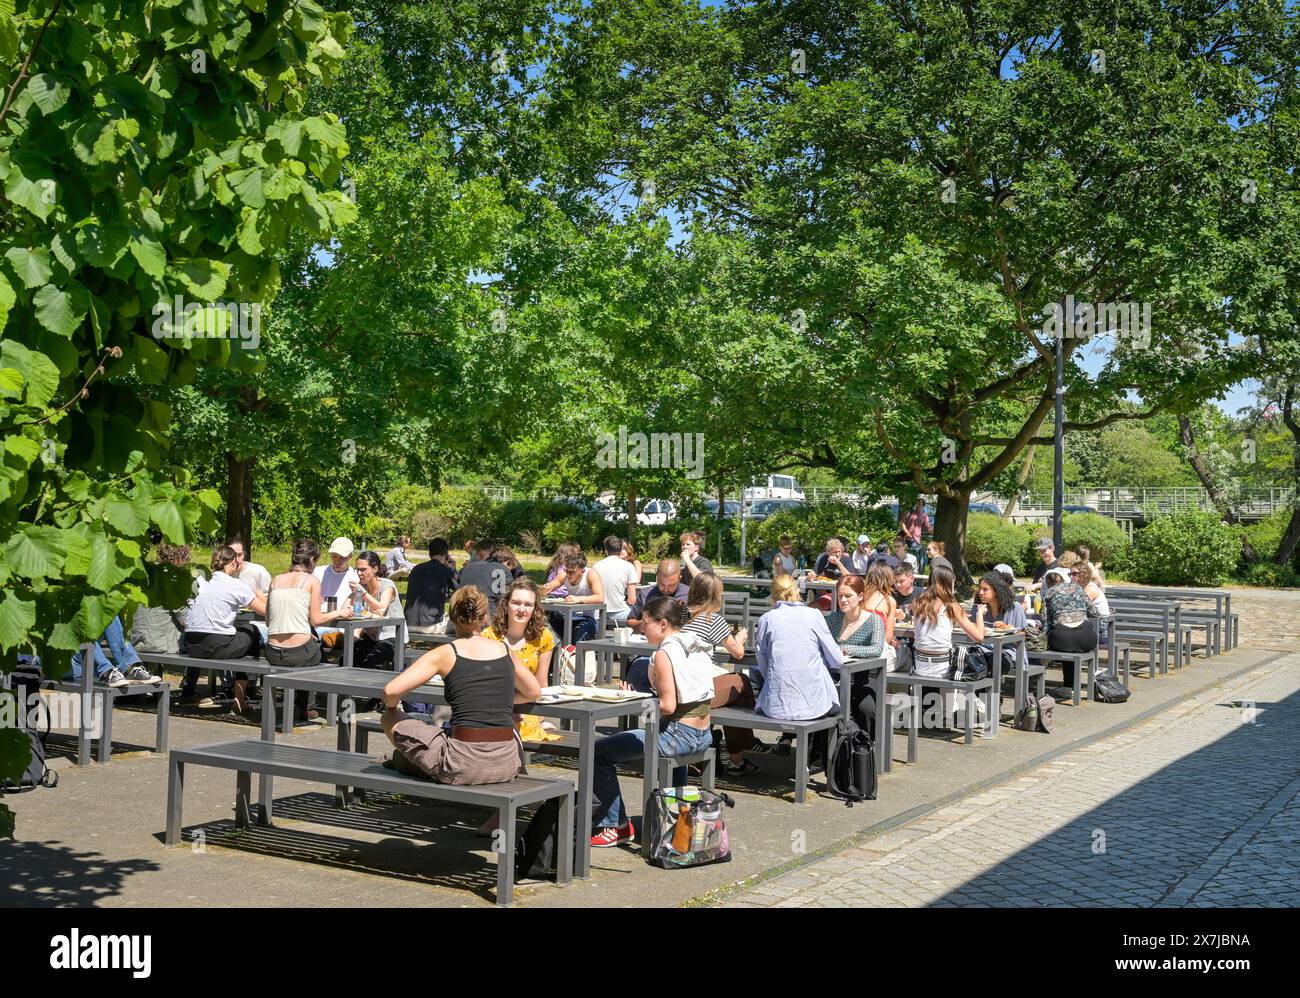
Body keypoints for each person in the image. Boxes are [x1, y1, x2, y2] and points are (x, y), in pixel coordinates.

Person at [380, 586, 540, 786]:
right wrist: (498, 701)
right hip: (507, 761)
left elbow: (391, 691)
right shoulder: (505, 650)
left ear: (452, 618)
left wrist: (393, 707)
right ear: (485, 619)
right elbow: (534, 692)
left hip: (463, 764)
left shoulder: (446, 653)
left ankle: (410, 760)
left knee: (389, 717)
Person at [590, 596, 715, 848]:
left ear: (663, 624)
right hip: (704, 733)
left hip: (679, 735)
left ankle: (616, 825)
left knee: (598, 752)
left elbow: (668, 706)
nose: (641, 627)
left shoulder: (664, 653)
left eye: (646, 623)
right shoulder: (696, 643)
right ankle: (678, 820)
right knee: (664, 743)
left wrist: (635, 699)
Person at [751, 575, 843, 767]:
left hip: (776, 706)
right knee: (826, 687)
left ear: (773, 594)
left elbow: (763, 663)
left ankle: (792, 744)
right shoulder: (814, 615)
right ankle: (818, 761)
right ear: (796, 590)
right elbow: (837, 660)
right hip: (814, 704)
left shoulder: (767, 618)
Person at [266, 539, 355, 721]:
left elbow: (268, 619)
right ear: (313, 559)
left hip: (272, 652)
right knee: (317, 651)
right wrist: (341, 612)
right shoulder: (312, 580)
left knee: (311, 643)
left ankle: (300, 706)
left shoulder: (275, 580)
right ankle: (305, 706)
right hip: (300, 654)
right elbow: (316, 620)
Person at [184, 546, 267, 711]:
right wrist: (258, 594)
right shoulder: (236, 584)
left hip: (191, 644)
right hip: (217, 645)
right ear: (234, 562)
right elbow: (266, 612)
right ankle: (241, 698)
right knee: (252, 631)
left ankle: (187, 692)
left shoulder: (201, 581)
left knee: (227, 631)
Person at [482, 578, 557, 743]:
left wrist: (540, 719)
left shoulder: (544, 637)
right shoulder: (488, 636)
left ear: (535, 609)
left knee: (528, 727)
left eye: (528, 605)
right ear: (506, 605)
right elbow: (485, 686)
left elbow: (541, 682)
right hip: (493, 710)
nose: (522, 609)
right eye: (516, 603)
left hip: (528, 708)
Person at [908, 565, 985, 679]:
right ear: (948, 584)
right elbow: (979, 637)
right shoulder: (951, 605)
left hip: (920, 665)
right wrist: (980, 614)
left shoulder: (917, 603)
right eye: (953, 583)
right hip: (942, 668)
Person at [131, 543, 195, 658]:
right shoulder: (172, 577)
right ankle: (190, 676)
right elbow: (186, 620)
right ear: (179, 559)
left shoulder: (143, 572)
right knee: (200, 640)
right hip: (163, 645)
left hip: (137, 642)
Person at [1042, 566, 1099, 689]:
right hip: (1087, 639)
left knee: (1065, 639)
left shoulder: (1049, 593)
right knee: (1071, 639)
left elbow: (1045, 619)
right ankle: (1070, 686)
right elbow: (1094, 612)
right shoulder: (1078, 589)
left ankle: (1067, 686)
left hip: (1063, 641)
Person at [70, 615, 159, 688]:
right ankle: (106, 672)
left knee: (108, 613)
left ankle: (128, 669)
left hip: (82, 659)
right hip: (67, 665)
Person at [350, 550, 404, 669]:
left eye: (363, 570)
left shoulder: (387, 585)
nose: (359, 573)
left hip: (392, 637)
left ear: (375, 569)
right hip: (371, 637)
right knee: (346, 658)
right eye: (357, 569)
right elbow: (346, 607)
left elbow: (381, 608)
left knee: (370, 661)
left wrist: (362, 593)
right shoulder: (363, 586)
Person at [968, 571, 1027, 675]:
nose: (981, 592)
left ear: (996, 591)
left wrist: (1009, 629)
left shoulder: (1015, 608)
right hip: (984, 649)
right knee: (969, 659)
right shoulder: (979, 607)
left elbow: (1022, 638)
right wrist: (978, 617)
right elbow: (972, 630)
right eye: (980, 589)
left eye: (985, 589)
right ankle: (979, 691)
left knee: (993, 663)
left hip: (1009, 653)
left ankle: (990, 691)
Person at [404, 538, 459, 632]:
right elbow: (461, 591)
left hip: (407, 623)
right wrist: (453, 570)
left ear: (430, 554)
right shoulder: (447, 571)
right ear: (446, 555)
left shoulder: (416, 569)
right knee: (461, 623)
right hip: (431, 624)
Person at [548, 551, 605, 643]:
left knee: (577, 637)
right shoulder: (564, 576)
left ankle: (573, 656)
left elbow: (600, 598)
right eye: (567, 571)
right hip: (570, 617)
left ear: (582, 570)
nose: (569, 574)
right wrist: (546, 588)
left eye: (572, 572)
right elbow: (551, 585)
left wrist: (577, 599)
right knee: (549, 630)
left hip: (591, 619)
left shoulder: (591, 574)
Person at [627, 559, 689, 633]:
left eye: (671, 585)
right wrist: (642, 624)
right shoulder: (646, 594)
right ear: (657, 577)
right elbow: (629, 621)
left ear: (679, 578)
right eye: (662, 584)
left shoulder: (689, 594)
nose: (666, 589)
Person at [592, 535, 640, 627]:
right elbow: (632, 600)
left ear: (606, 550)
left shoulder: (596, 566)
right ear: (621, 550)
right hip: (620, 612)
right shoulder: (628, 566)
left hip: (598, 612)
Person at [860, 563, 898, 670]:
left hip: (857, 648)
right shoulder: (889, 601)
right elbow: (888, 637)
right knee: (905, 657)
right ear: (889, 580)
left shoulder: (859, 597)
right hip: (876, 653)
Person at [458, 540, 512, 613]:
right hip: (490, 617)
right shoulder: (502, 570)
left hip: (464, 615)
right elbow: (505, 602)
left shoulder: (467, 568)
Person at [314, 537, 360, 611]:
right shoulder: (317, 572)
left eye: (342, 557)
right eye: (334, 556)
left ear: (350, 556)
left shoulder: (355, 577)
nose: (337, 560)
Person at [1075, 560, 1111, 643]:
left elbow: (1077, 607)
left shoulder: (1090, 588)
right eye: (1070, 574)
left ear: (1082, 575)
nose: (1070, 576)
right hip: (1090, 625)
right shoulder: (1081, 587)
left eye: (1073, 574)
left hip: (1100, 630)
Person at [900, 500, 931, 571]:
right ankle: (910, 571)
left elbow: (927, 527)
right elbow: (902, 523)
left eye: (920, 503)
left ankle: (918, 572)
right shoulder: (910, 512)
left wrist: (931, 529)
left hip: (917, 539)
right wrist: (907, 532)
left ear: (923, 506)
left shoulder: (924, 515)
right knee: (913, 554)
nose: (918, 504)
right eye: (917, 503)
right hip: (908, 537)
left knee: (917, 556)